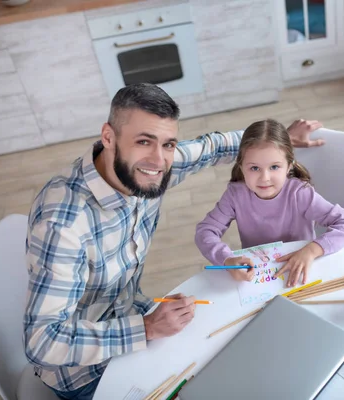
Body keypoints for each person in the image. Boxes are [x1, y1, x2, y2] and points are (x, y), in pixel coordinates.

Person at [23, 83, 324, 399]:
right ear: (108, 137)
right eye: (144, 141)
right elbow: (42, 342)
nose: (158, 160)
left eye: (168, 144)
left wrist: (277, 142)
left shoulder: (148, 168)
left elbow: (210, 147)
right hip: (86, 375)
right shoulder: (64, 222)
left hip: (133, 315)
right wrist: (147, 328)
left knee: (236, 357)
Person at [194, 119, 344, 287]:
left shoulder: (300, 193)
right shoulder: (235, 195)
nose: (264, 178)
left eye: (274, 167)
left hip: (302, 270)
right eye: (254, 168)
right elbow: (205, 231)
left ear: (289, 166)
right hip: (259, 276)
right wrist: (226, 259)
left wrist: (311, 251)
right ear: (242, 166)